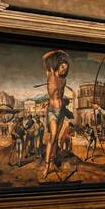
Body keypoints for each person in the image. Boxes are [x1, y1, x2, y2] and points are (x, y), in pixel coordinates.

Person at [41, 50, 73, 180]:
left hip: (61, 112)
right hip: (52, 112)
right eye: (62, 67)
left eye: (66, 69)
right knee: (53, 137)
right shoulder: (50, 73)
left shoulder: (64, 80)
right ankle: (47, 167)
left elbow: (61, 95)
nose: (64, 70)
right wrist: (57, 52)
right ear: (58, 66)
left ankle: (53, 161)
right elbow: (44, 58)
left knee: (56, 140)